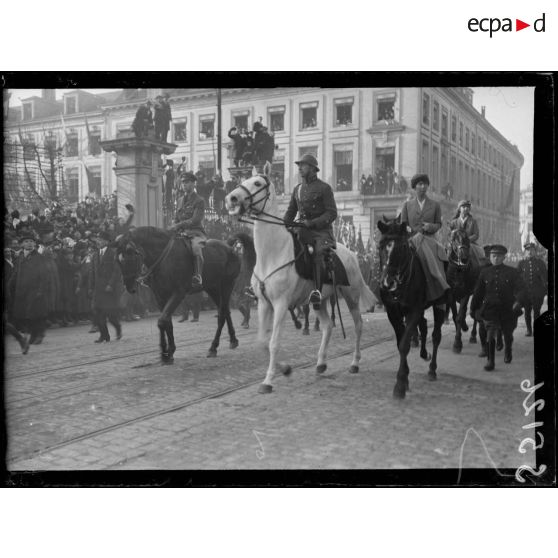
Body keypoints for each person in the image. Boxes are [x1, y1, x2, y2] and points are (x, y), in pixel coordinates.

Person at [283, 153, 337, 308]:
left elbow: (332, 213)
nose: (299, 168)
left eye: (303, 165)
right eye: (299, 166)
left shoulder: (324, 188)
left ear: (313, 169)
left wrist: (312, 223)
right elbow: (290, 212)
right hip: (302, 230)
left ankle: (317, 293)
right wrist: (282, 226)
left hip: (320, 232)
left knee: (318, 253)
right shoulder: (297, 189)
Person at [470, 244, 525, 371]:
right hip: (490, 309)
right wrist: (473, 308)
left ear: (504, 257)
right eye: (493, 256)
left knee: (508, 334)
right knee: (490, 335)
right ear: (489, 257)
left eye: (499, 256)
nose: (496, 259)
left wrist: (519, 302)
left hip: (508, 309)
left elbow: (521, 289)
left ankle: (508, 350)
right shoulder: (484, 273)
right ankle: (490, 361)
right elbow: (478, 292)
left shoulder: (512, 272)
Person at [400, 173, 450, 304]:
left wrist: (430, 226)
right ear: (414, 187)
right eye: (419, 184)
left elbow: (439, 224)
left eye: (425, 184)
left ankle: (441, 287)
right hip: (412, 240)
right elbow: (403, 224)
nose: (422, 187)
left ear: (427, 186)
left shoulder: (435, 205)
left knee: (441, 256)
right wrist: (408, 230)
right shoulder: (407, 205)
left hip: (429, 239)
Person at [8, 232, 50, 345]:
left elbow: (44, 275)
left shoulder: (39, 257)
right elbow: (16, 273)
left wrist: (41, 290)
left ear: (35, 244)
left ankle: (39, 334)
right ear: (22, 244)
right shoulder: (20, 257)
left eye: (31, 241)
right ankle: (33, 335)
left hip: (35, 291)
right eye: (26, 242)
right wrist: (9, 285)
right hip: (22, 291)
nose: (29, 244)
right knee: (27, 315)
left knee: (37, 314)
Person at [171, 172, 207, 289]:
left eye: (186, 182)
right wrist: (173, 225)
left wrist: (179, 225)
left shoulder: (199, 200)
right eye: (182, 183)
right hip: (181, 233)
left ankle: (198, 276)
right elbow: (176, 217)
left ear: (193, 183)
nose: (184, 185)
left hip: (195, 233)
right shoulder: (180, 200)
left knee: (196, 248)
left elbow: (196, 220)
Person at [88, 231, 123, 343]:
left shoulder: (113, 253)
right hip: (98, 290)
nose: (99, 242)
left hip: (108, 290)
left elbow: (116, 271)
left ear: (107, 242)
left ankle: (118, 328)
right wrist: (90, 286)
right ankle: (104, 336)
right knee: (98, 314)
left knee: (110, 315)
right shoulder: (95, 255)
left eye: (102, 240)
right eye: (98, 240)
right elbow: (92, 272)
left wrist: (110, 285)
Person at [517, 242, 547, 337]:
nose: (530, 252)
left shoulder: (540, 263)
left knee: (537, 312)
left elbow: (545, 278)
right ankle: (529, 330)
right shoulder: (521, 263)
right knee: (527, 312)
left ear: (535, 252)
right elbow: (517, 279)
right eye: (528, 250)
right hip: (525, 293)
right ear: (525, 252)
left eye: (532, 250)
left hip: (537, 293)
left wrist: (543, 291)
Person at [448, 200, 485, 266]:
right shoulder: (454, 222)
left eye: (468, 207)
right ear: (459, 209)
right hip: (456, 243)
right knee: (448, 252)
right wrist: (453, 236)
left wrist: (467, 240)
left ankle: (477, 267)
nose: (466, 209)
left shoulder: (473, 221)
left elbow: (476, 235)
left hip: (469, 243)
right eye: (464, 207)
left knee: (476, 252)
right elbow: (449, 234)